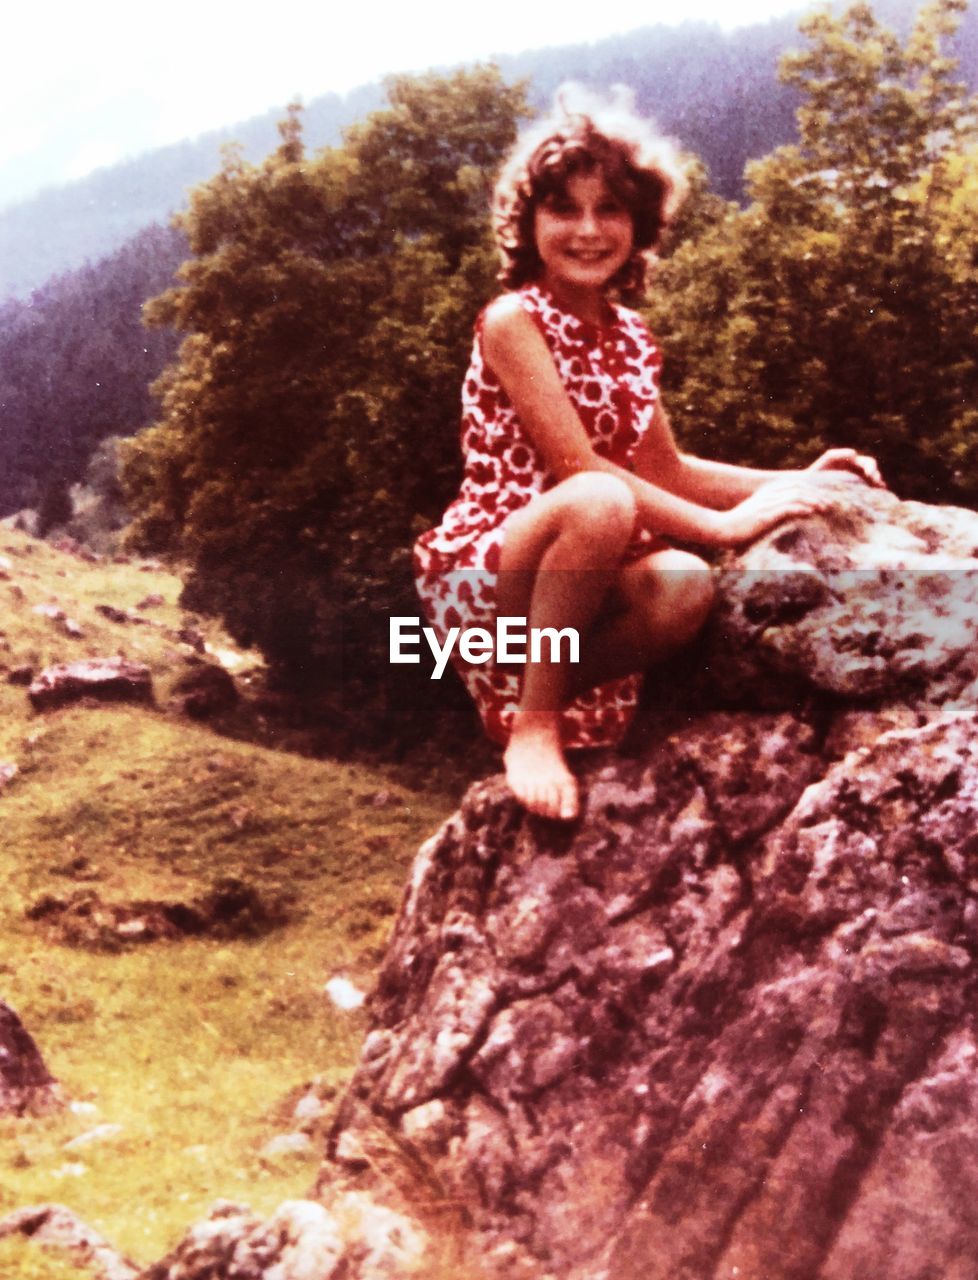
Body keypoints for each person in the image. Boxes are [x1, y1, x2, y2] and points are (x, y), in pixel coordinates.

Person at [413, 86, 882, 822]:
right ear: (528, 222)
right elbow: (581, 470)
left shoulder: (630, 337)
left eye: (611, 211)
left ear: (640, 224)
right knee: (603, 501)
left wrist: (805, 481)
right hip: (499, 567)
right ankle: (532, 727)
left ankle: (530, 681)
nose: (589, 230)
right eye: (564, 209)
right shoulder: (513, 321)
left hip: (584, 577)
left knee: (686, 585)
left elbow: (669, 472)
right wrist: (724, 527)